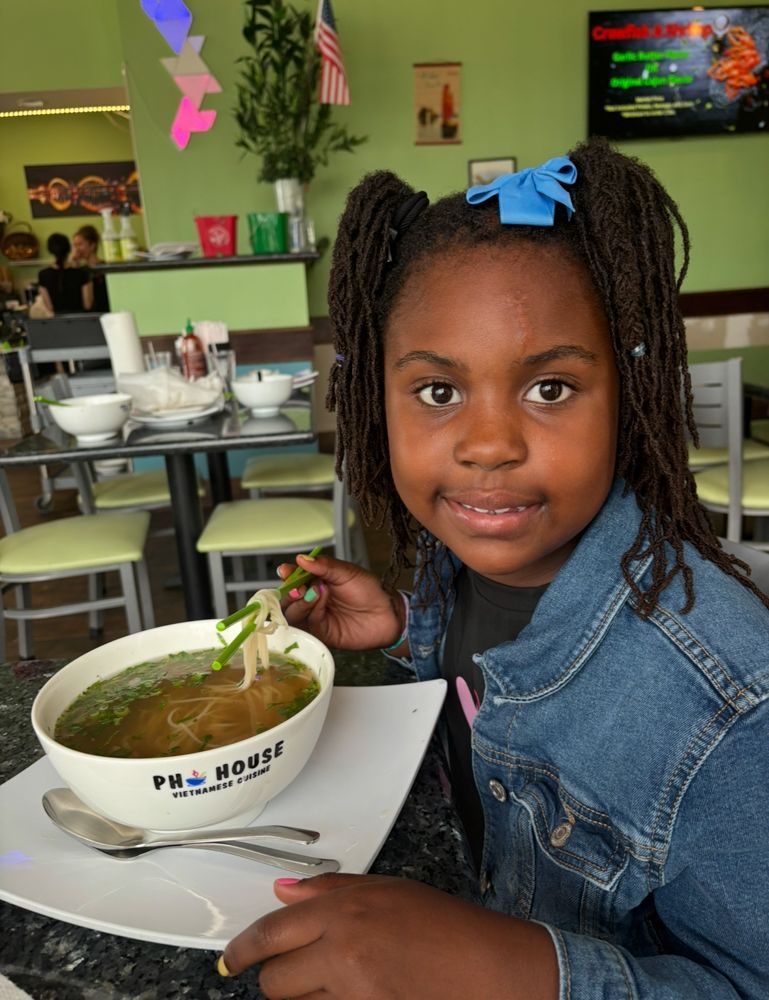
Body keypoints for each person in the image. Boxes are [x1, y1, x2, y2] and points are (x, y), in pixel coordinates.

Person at [218, 138, 769, 999]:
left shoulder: (729, 701)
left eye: (549, 388)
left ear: (628, 395)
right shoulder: (456, 562)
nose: (487, 446)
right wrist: (408, 628)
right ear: (376, 399)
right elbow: (500, 684)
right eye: (437, 392)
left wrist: (501, 968)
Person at [37, 233, 93, 313]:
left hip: (58, 322)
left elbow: (49, 307)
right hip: (81, 321)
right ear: (69, 248)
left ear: (50, 250)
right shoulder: (82, 273)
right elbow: (88, 305)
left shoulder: (43, 275)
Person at [70, 223, 110, 312]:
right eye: (75, 245)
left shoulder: (106, 268)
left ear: (92, 245)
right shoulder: (80, 270)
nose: (77, 249)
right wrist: (73, 265)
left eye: (80, 244)